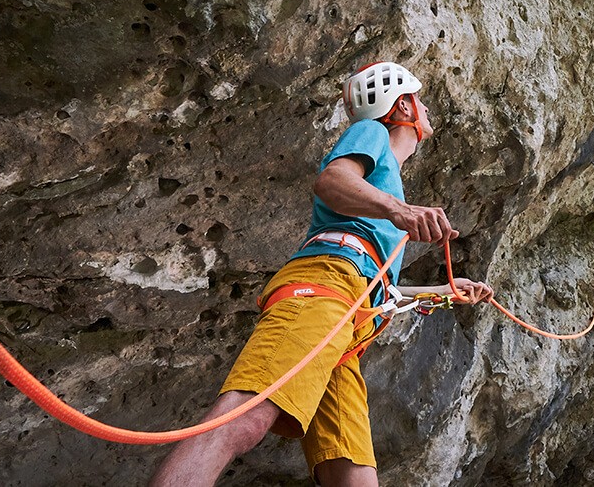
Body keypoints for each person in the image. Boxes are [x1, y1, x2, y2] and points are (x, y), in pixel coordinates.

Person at [151, 61, 493, 487]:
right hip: (325, 286)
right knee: (246, 418)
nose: (424, 108)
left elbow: (374, 281)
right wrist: (400, 211)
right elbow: (333, 180)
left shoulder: (388, 179)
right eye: (418, 99)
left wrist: (444, 290)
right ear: (403, 105)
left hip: (350, 320)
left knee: (355, 477)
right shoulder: (371, 134)